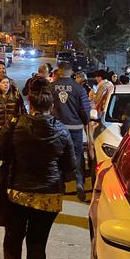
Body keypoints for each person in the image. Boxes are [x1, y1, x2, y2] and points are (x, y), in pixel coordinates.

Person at [0, 78, 76, 259]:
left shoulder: (15, 124)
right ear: (52, 105)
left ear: (29, 103)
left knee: (13, 240)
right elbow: (70, 165)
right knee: (38, 243)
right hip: (49, 196)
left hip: (17, 193)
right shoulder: (62, 130)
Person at [49, 61, 92, 202]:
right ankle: (79, 182)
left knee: (58, 156)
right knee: (78, 155)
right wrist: (85, 122)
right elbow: (85, 110)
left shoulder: (51, 87)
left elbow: (45, 107)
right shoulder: (79, 89)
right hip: (75, 128)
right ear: (72, 72)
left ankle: (61, 187)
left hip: (57, 128)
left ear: (59, 72)